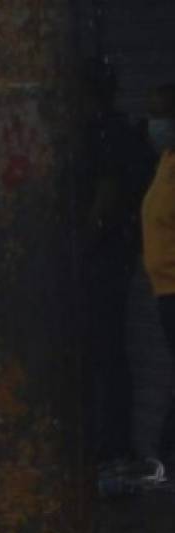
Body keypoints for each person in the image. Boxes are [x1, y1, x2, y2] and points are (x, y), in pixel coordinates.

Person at [78, 60, 151, 466]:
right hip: (109, 256)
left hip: (103, 259)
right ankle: (108, 443)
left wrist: (81, 247)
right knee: (103, 353)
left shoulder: (106, 136)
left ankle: (112, 445)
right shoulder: (108, 133)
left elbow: (105, 200)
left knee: (103, 352)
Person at [142, 82, 175, 478]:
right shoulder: (165, 160)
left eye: (162, 115)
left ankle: (167, 450)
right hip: (165, 289)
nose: (155, 123)